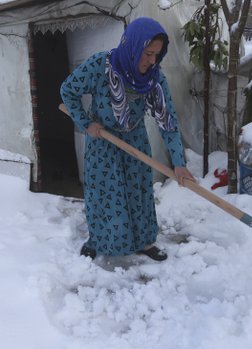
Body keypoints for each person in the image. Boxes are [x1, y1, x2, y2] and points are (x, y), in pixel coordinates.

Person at [60, 17, 194, 261]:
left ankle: (143, 242)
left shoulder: (154, 78)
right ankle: (98, 240)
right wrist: (86, 123)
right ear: (132, 46)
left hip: (135, 141)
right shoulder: (100, 65)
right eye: (147, 53)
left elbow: (168, 122)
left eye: (157, 54)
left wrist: (179, 163)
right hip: (102, 143)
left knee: (138, 193)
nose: (152, 61)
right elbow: (68, 90)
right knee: (103, 194)